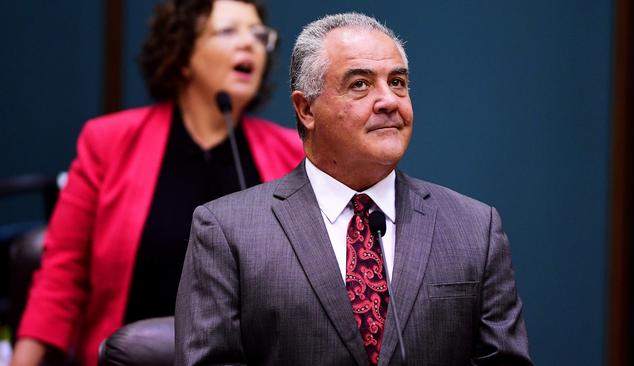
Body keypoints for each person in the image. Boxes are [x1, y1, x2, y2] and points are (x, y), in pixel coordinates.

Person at [175, 12, 532, 366]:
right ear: (306, 109)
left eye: (397, 82)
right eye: (360, 84)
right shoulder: (226, 231)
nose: (389, 100)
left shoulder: (474, 228)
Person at [11, 1, 303, 365]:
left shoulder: (291, 153)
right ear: (183, 55)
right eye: (228, 31)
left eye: (259, 35)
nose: (250, 44)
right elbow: (62, 273)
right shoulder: (109, 141)